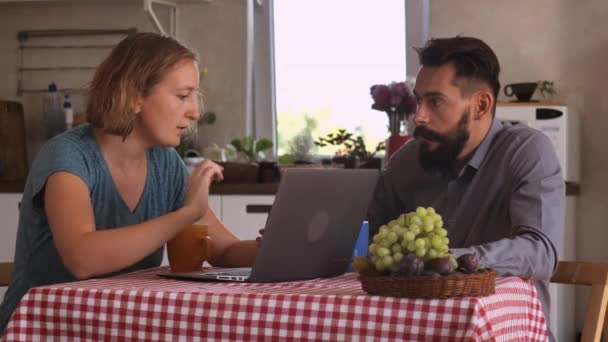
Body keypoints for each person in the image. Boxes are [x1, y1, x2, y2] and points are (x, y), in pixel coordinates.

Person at [0, 32, 259, 334]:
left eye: (194, 97)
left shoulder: (167, 165)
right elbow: (82, 259)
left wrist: (278, 249)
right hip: (43, 329)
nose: (195, 112)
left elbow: (224, 251)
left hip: (119, 326)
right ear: (134, 95)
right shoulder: (68, 155)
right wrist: (186, 214)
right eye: (182, 96)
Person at [367, 36, 564, 340]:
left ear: (481, 105)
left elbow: (540, 252)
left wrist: (452, 261)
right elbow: (374, 246)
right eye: (418, 100)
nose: (418, 115)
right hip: (416, 332)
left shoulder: (527, 150)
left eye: (435, 101)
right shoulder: (406, 161)